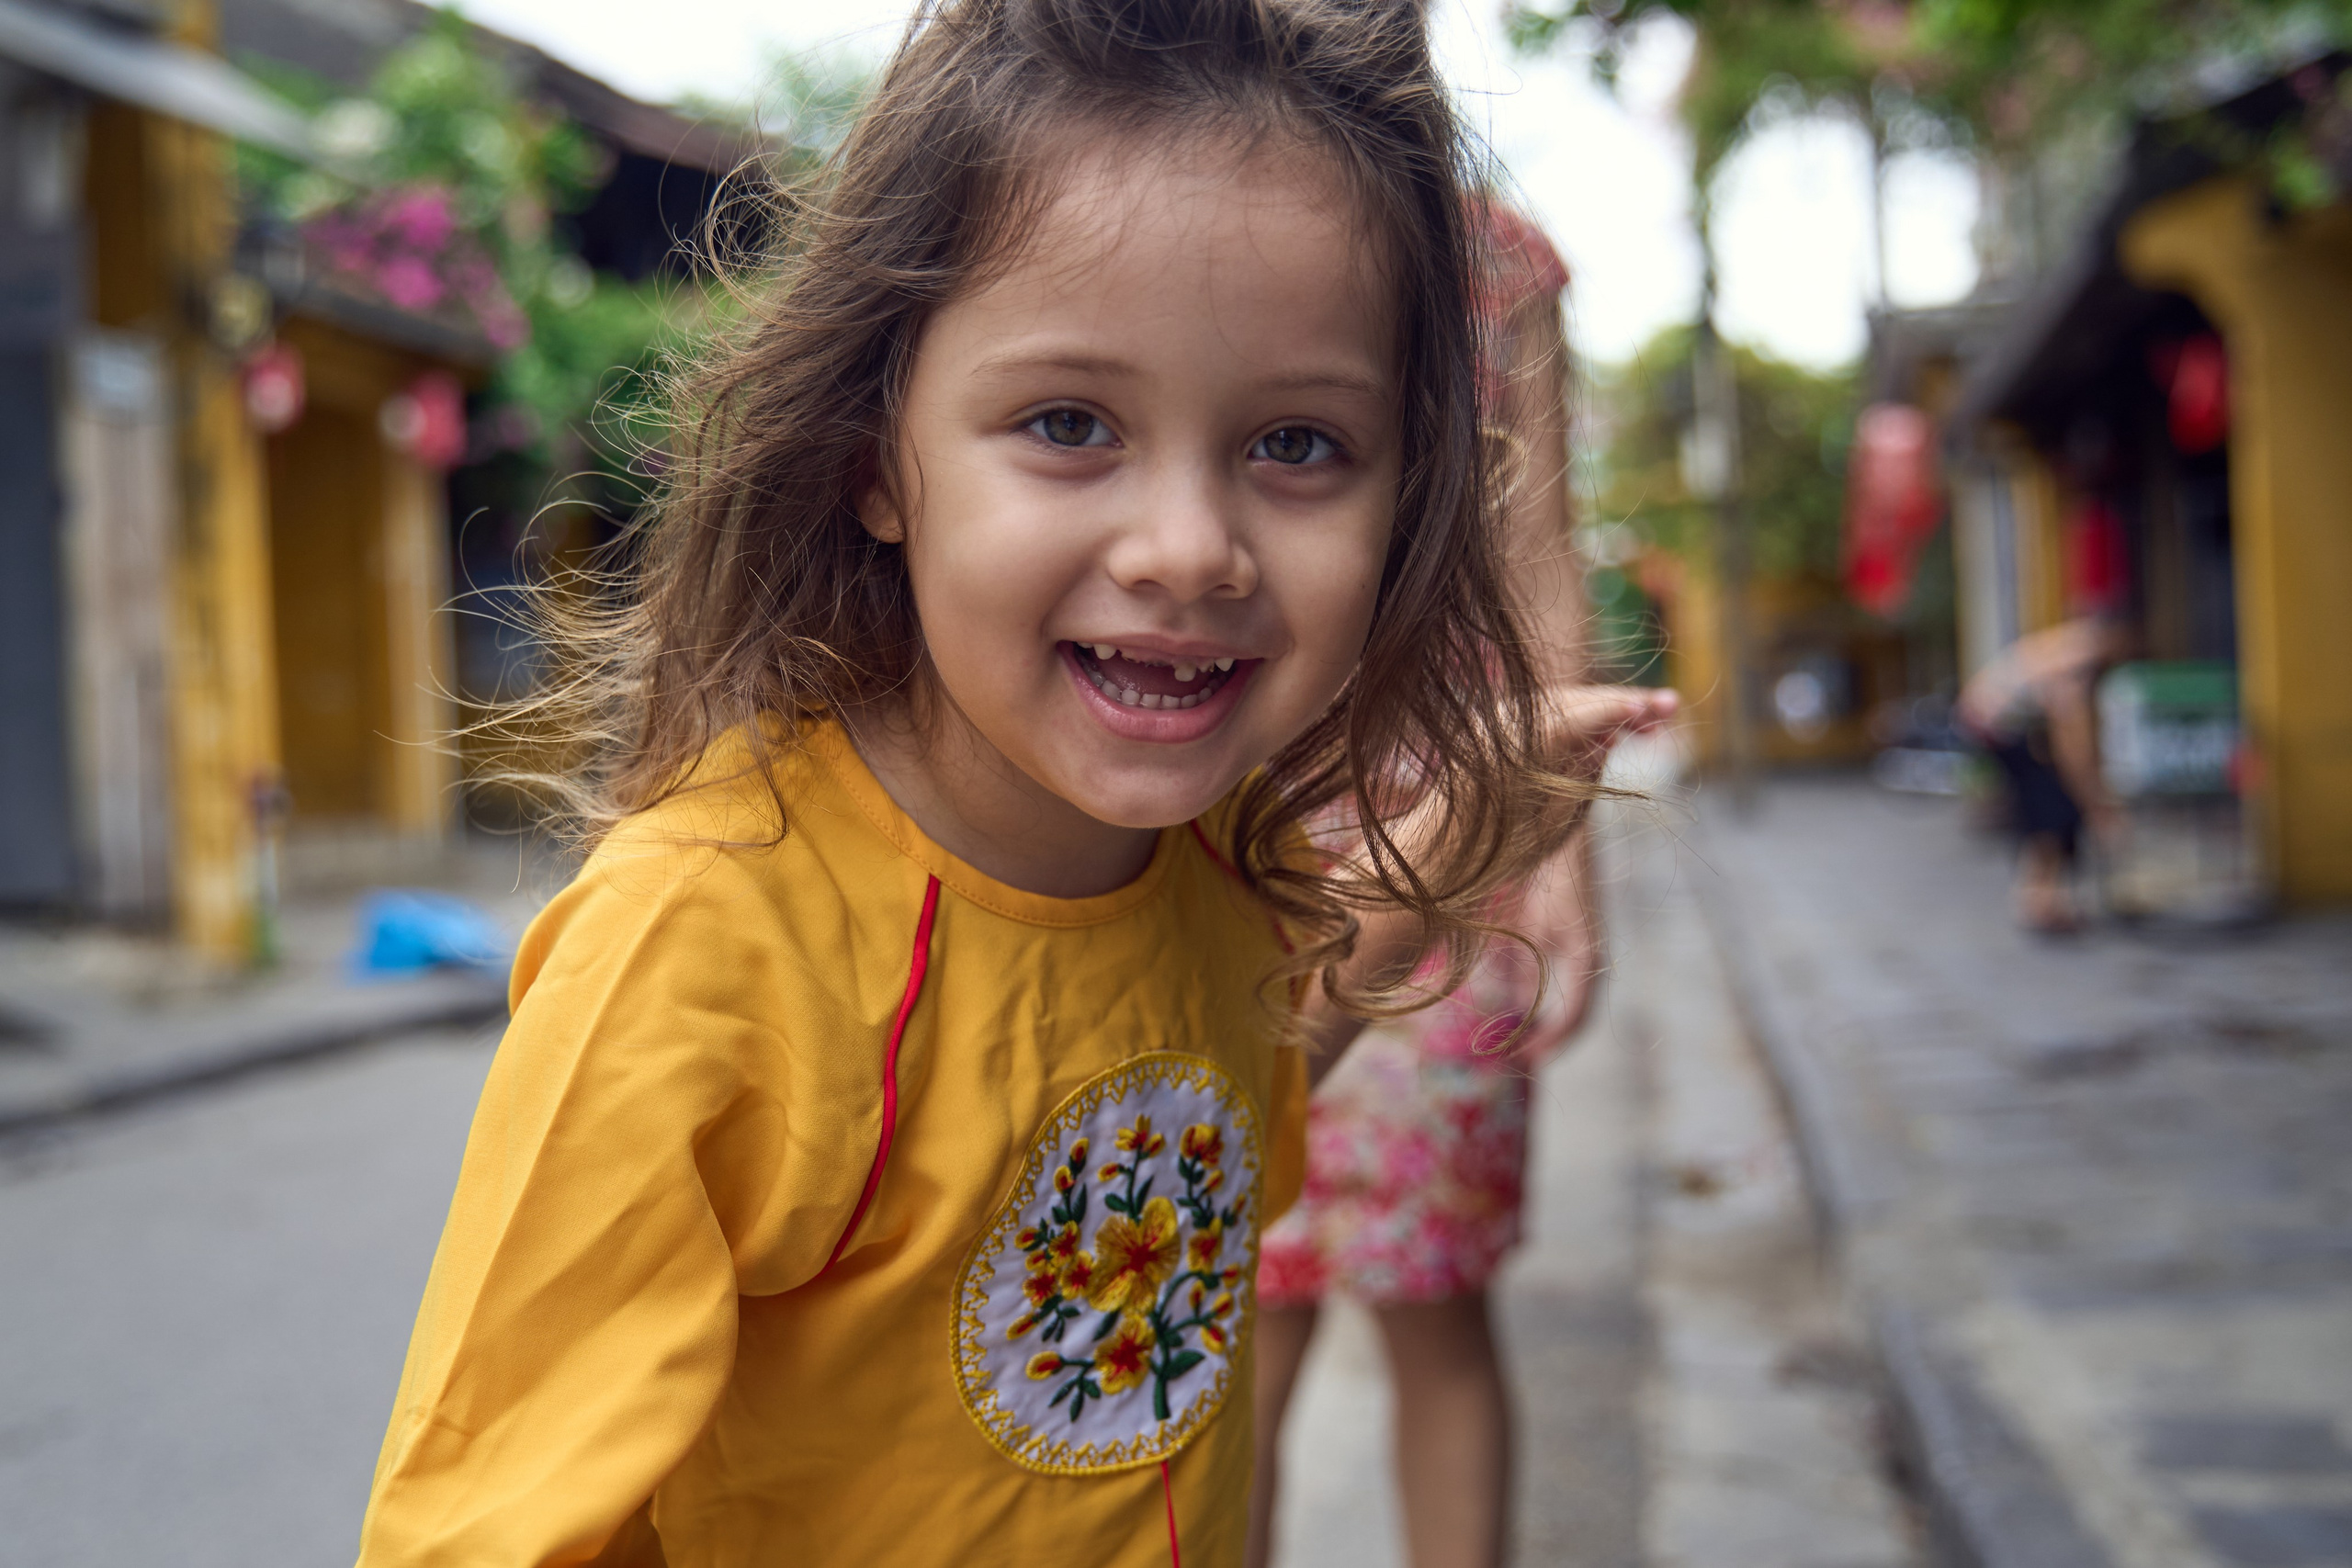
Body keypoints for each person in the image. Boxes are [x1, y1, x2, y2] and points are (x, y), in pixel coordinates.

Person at [351, 3, 1668, 1564]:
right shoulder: (699, 945)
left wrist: (1431, 878)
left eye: (1299, 444)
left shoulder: (1213, 858)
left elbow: (1212, 1110)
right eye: (1067, 424)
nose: (1189, 547)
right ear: (875, 454)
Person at [1245, 203, 1612, 1568]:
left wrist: (1559, 848)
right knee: (1229, 1325)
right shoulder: (1201, 184)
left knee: (1435, 1303)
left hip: (1457, 858)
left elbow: (1537, 555)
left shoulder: (1499, 262)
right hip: (1235, 827)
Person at [1957, 616, 2134, 932]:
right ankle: (2041, 901)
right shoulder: (2078, 663)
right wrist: (2095, 801)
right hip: (2003, 729)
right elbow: (2073, 745)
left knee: (2046, 806)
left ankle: (2045, 897)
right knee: (2050, 810)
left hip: (1998, 726)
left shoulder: (2070, 644)